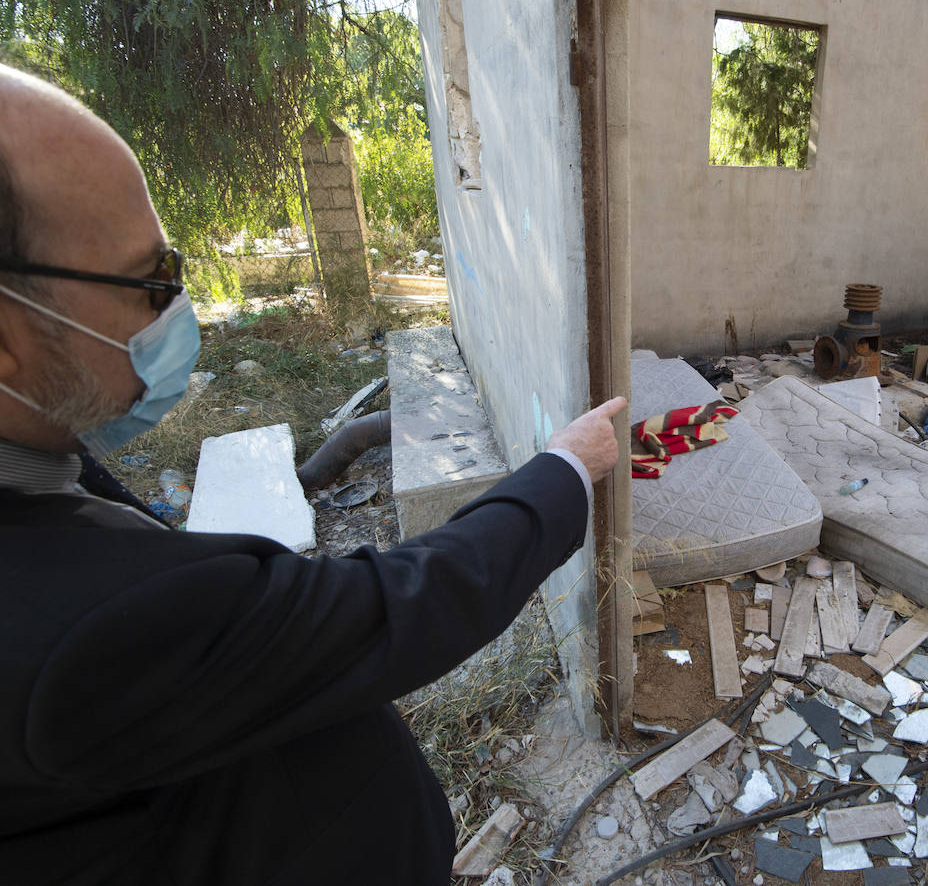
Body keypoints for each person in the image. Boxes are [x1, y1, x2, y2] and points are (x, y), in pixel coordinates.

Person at [0, 63, 626, 885]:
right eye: (153, 282)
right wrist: (564, 470)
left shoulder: (41, 471)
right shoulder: (80, 634)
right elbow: (394, 606)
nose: (179, 308)